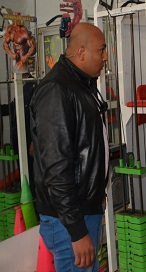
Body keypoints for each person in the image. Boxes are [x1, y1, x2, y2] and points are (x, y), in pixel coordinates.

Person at [31, 23, 108, 271]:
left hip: (83, 209)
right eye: (101, 50)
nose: (105, 57)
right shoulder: (56, 89)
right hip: (68, 221)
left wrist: (96, 194)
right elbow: (56, 166)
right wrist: (76, 230)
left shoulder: (81, 85)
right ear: (82, 52)